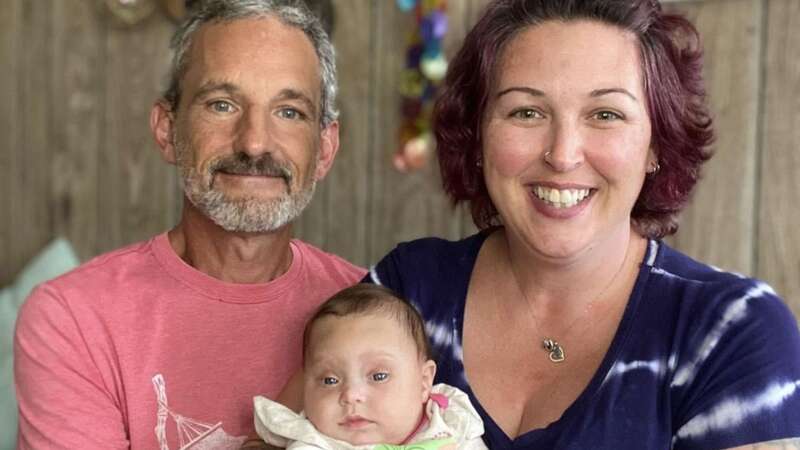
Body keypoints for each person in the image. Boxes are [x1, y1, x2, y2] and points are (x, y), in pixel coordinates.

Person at [366, 0, 800, 449]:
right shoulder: (407, 292)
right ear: (478, 136)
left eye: (605, 114)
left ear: (656, 145)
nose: (563, 153)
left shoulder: (730, 331)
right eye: (526, 112)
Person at [13, 1, 365, 449]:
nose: (255, 141)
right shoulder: (73, 319)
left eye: (289, 111)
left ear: (325, 148)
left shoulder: (374, 312)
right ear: (167, 129)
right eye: (222, 105)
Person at [253, 284, 487, 450]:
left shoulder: (451, 423)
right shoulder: (313, 443)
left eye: (379, 376)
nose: (351, 395)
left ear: (424, 381)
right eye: (330, 380)